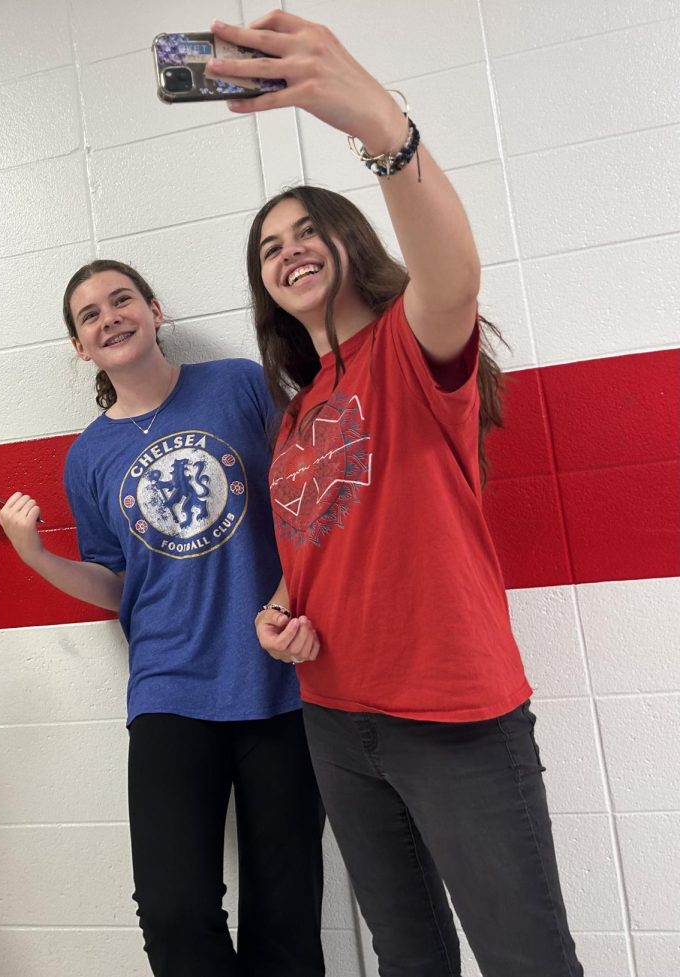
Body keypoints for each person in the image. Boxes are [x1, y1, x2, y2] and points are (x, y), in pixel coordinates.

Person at [208, 11, 584, 976]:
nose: (287, 251)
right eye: (268, 248)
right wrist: (282, 616)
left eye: (305, 232)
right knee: (410, 960)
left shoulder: (411, 349)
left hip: (454, 717)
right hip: (337, 716)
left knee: (525, 958)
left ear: (347, 241)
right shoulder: (294, 415)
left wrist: (382, 129)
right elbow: (322, 557)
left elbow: (452, 275)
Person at [0, 259, 325, 977]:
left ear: (154, 309)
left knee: (288, 914)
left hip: (282, 683)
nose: (109, 317)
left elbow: (310, 501)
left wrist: (298, 596)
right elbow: (117, 584)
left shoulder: (239, 384)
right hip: (170, 688)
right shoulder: (90, 457)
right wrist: (34, 557)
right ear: (81, 347)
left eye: (121, 300)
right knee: (173, 913)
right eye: (89, 314)